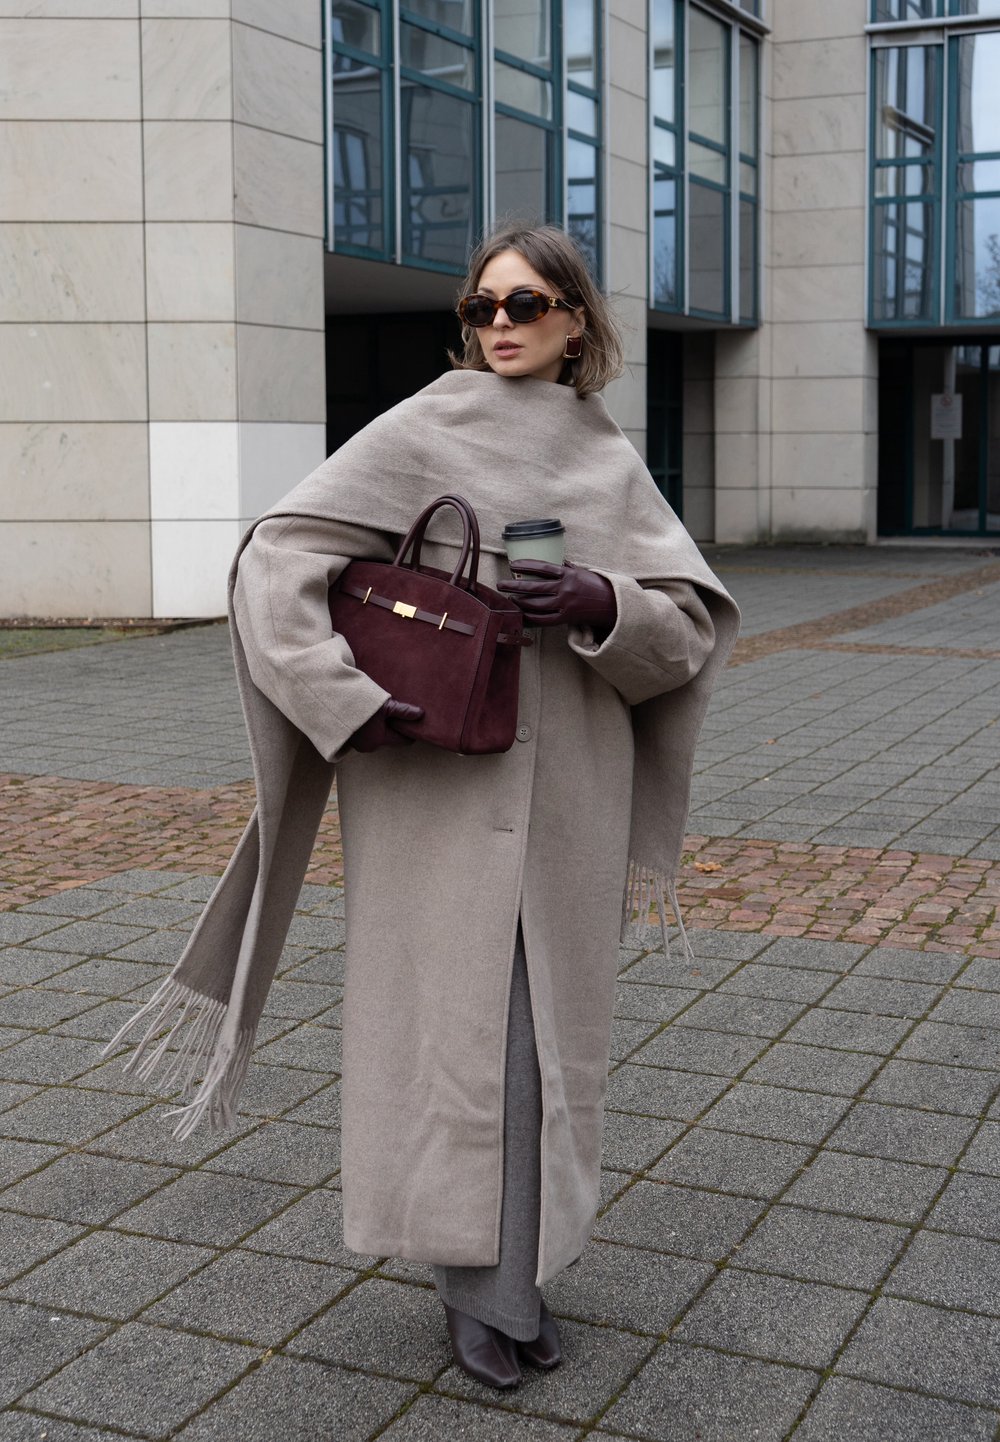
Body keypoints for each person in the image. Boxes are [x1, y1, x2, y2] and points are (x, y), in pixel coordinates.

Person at [107, 224, 739, 1391]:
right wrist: (343, 698)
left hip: (571, 801)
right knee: (453, 1038)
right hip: (436, 788)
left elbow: (687, 632)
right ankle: (476, 1292)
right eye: (482, 304)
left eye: (528, 303)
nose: (499, 322)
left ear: (576, 325)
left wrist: (604, 599)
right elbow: (274, 558)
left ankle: (518, 1275)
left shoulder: (607, 457)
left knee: (550, 1046)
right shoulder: (419, 426)